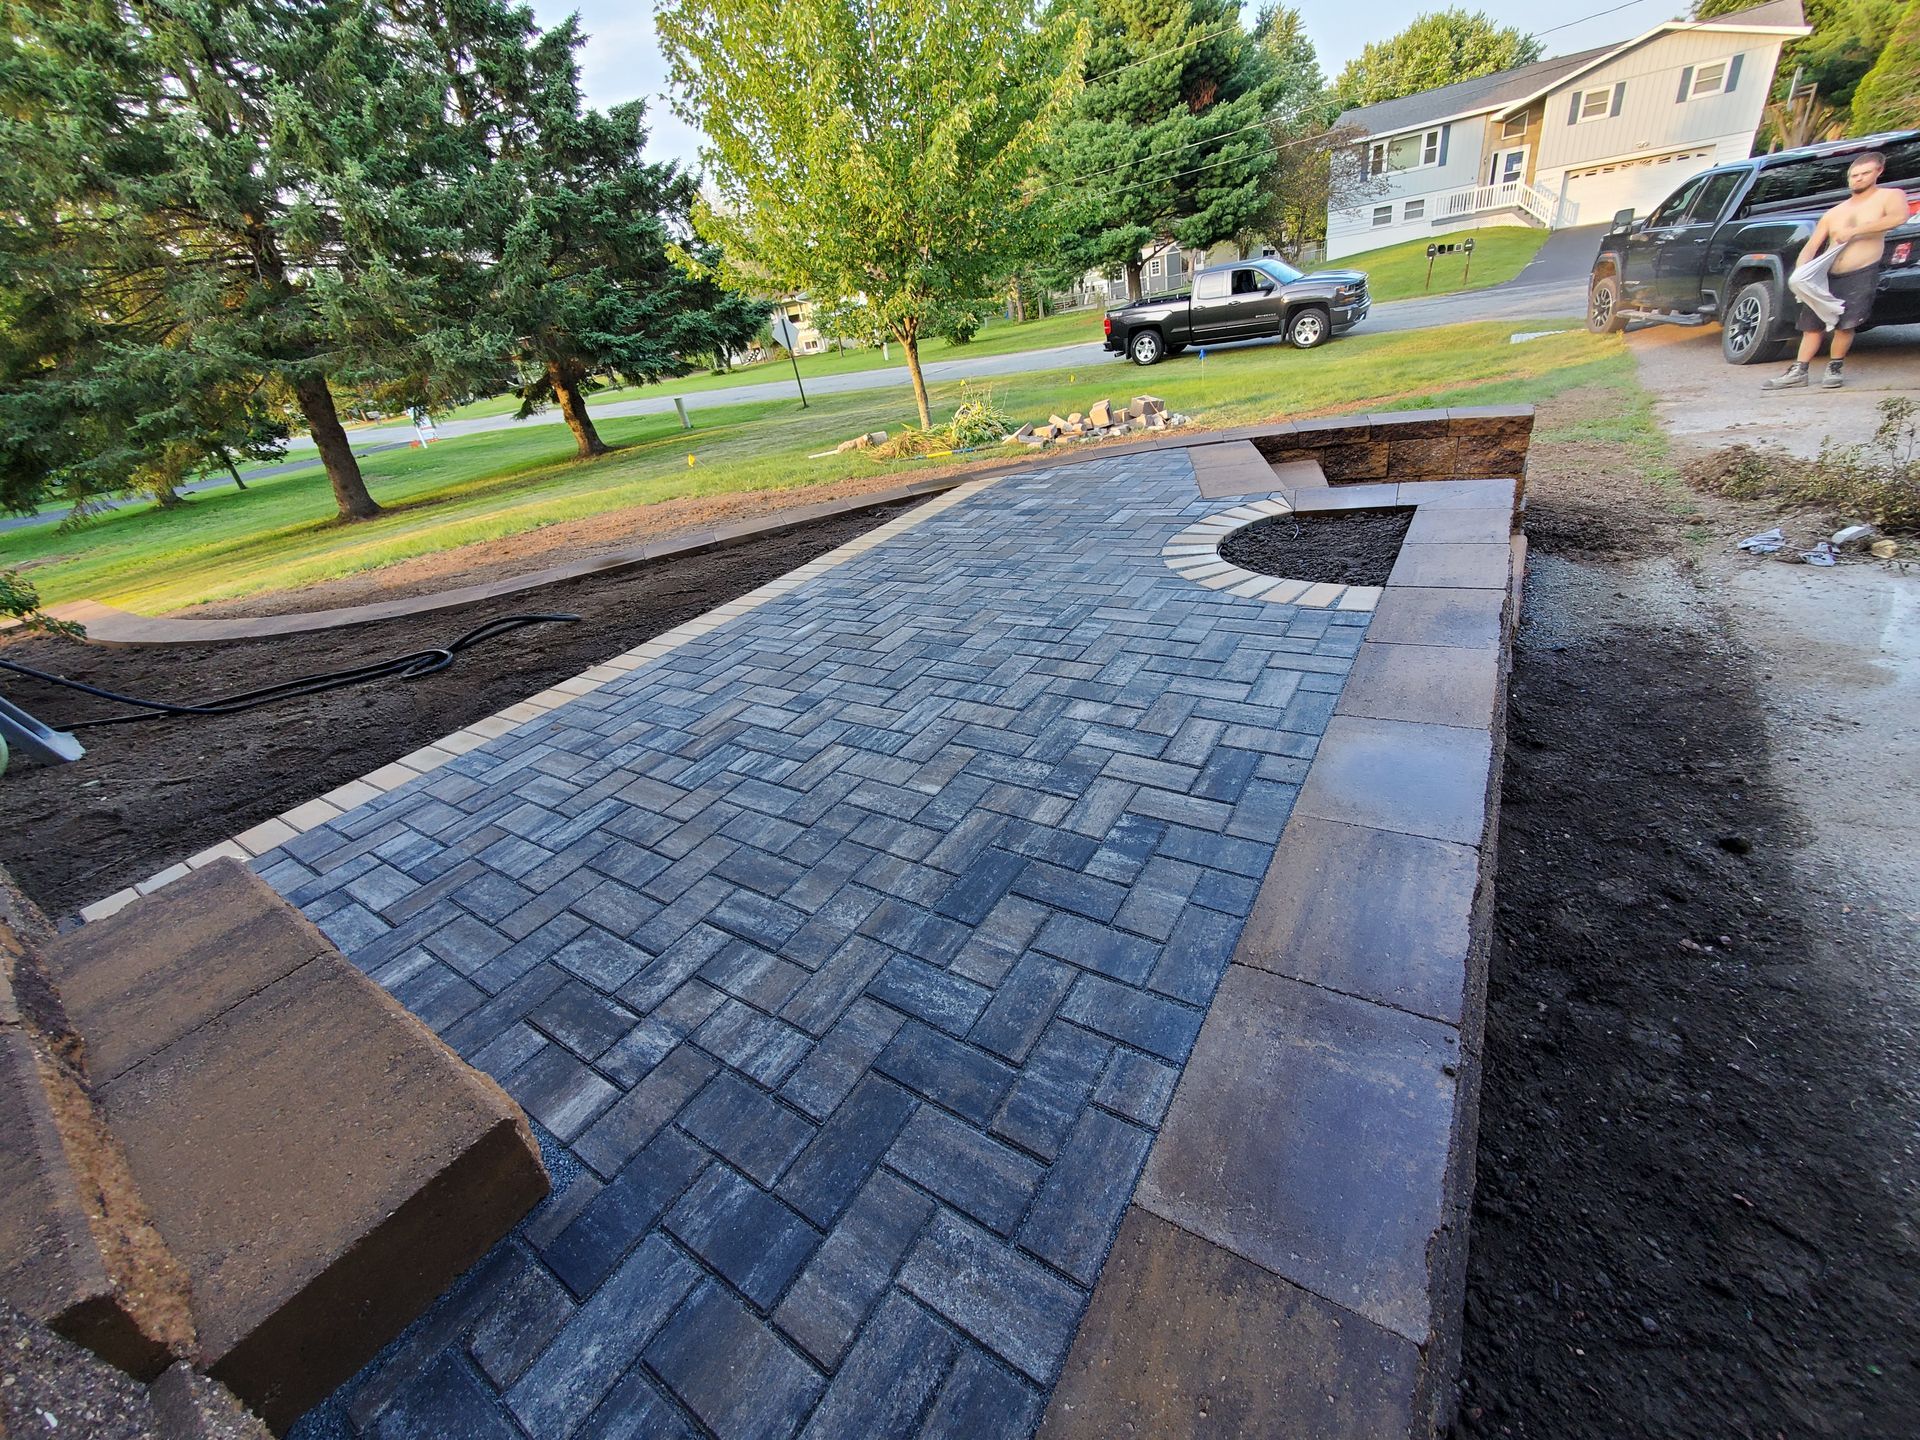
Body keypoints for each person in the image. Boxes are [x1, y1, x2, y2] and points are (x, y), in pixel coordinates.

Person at [1763, 152, 1911, 390]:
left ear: (1878, 172)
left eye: (1864, 174)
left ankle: (1835, 367)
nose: (1858, 179)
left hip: (1860, 270)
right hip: (1827, 273)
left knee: (1846, 323)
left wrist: (1856, 231)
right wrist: (1800, 275)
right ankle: (1799, 370)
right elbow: (1812, 246)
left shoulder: (1889, 196)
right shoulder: (1834, 212)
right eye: (1854, 175)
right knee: (1811, 324)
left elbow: (1899, 217)